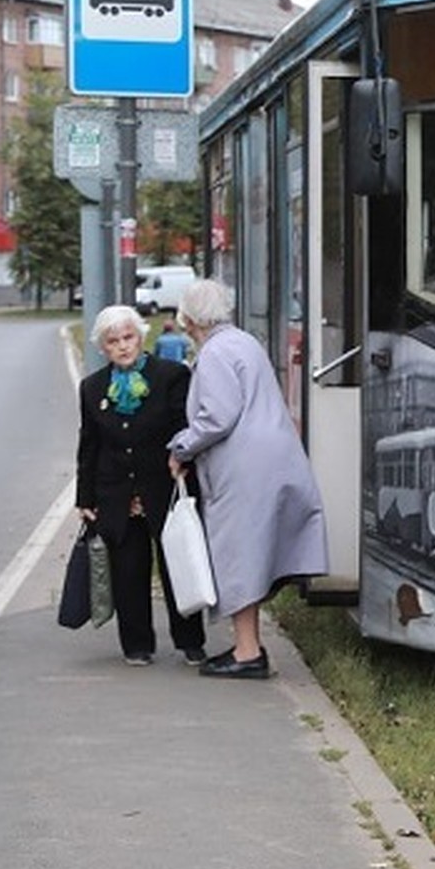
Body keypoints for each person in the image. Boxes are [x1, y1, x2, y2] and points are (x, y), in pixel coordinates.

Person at [167, 279, 330, 680]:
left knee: (238, 554)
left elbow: (217, 416)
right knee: (252, 554)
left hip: (243, 467)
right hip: (273, 456)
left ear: (188, 319)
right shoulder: (243, 341)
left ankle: (247, 653)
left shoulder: (215, 353)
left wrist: (181, 447)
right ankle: (248, 646)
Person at [75, 305, 206, 666]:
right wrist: (84, 497)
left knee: (178, 565)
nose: (122, 346)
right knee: (128, 571)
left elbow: (185, 429)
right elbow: (89, 445)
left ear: (141, 336)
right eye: (113, 341)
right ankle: (137, 645)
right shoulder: (92, 388)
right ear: (103, 347)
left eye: (128, 337)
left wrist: (185, 466)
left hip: (164, 488)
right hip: (116, 493)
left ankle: (190, 641)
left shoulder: (172, 376)